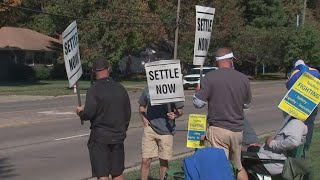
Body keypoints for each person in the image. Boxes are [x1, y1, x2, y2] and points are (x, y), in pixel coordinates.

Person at [193, 47, 251, 180]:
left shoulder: (209, 78)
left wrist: (198, 92)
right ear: (231, 60)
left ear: (216, 61)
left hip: (218, 130)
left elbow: (198, 104)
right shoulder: (243, 78)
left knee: (218, 167)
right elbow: (247, 104)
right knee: (238, 166)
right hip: (237, 130)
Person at [76, 56, 131, 180]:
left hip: (100, 138)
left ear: (94, 72)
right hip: (118, 135)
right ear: (109, 69)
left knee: (102, 174)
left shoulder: (94, 90)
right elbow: (127, 114)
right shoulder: (120, 88)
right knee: (117, 173)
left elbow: (88, 114)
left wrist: (80, 112)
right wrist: (122, 130)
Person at [139, 87, 184, 180]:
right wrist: (144, 118)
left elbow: (180, 111)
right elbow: (141, 106)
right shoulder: (148, 87)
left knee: (163, 161)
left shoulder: (172, 88)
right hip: (150, 128)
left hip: (166, 130)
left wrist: (175, 115)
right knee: (145, 160)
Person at [242, 118, 308, 176]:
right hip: (272, 158)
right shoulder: (295, 122)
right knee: (252, 148)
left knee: (238, 158)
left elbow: (293, 142)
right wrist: (263, 145)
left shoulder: (296, 123)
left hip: (272, 163)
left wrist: (271, 143)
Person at [285, 59, 320, 151]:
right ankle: (306, 145)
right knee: (309, 125)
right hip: (312, 104)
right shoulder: (315, 72)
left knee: (295, 125)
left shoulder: (294, 73)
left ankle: (295, 145)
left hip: (297, 103)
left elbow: (289, 86)